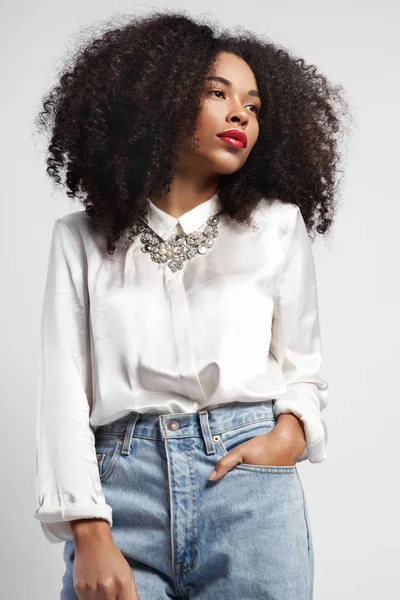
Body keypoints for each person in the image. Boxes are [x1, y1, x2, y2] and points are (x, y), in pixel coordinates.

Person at [33, 9, 349, 600]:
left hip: (248, 488)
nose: (240, 116)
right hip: (120, 494)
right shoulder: (80, 238)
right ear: (158, 99)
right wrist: (89, 527)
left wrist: (289, 435)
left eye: (253, 106)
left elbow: (302, 368)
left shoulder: (278, 228)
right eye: (217, 93)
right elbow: (63, 392)